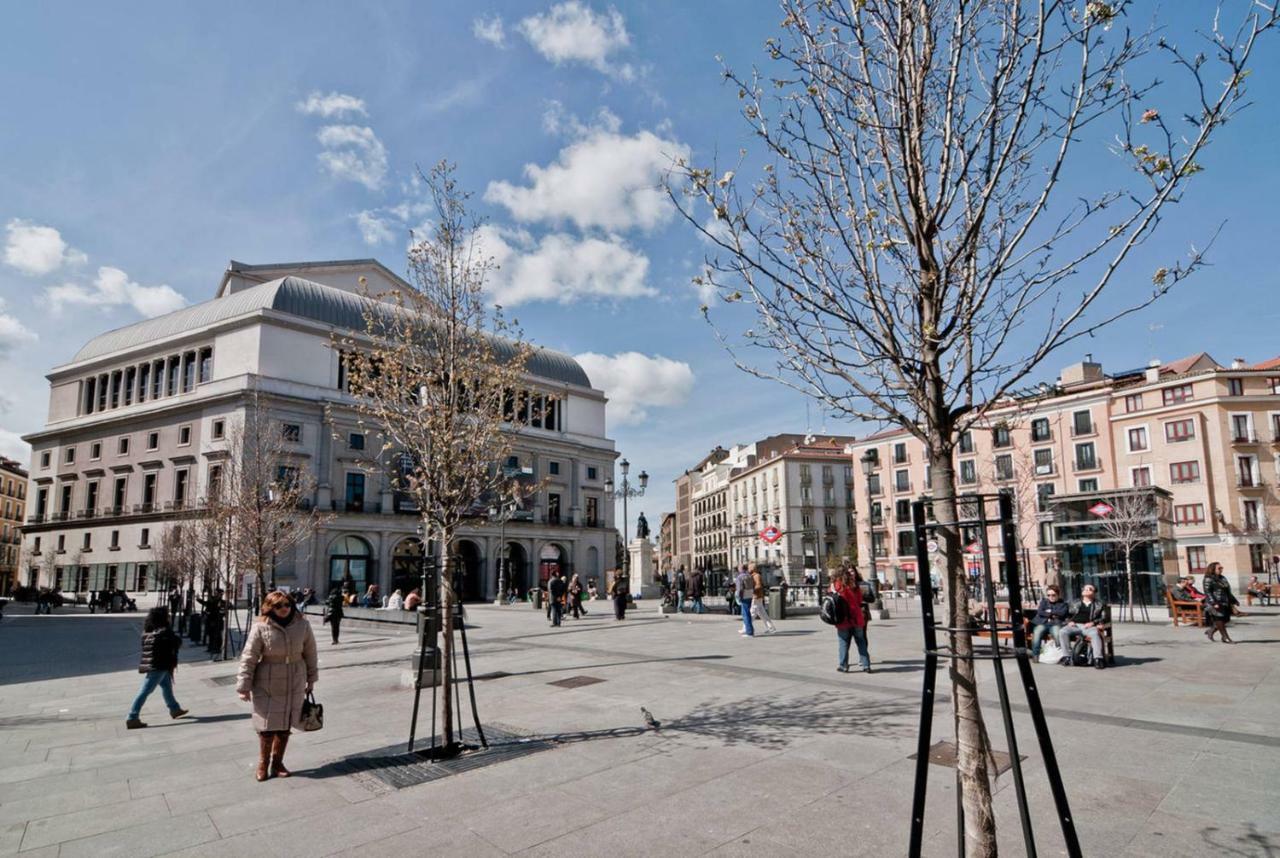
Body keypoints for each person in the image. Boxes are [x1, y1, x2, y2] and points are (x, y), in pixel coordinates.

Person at [236, 590, 318, 782]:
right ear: (269, 607)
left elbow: (311, 653)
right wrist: (243, 685)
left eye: (287, 605)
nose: (284, 609)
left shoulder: (303, 625)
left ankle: (278, 762)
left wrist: (311, 678)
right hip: (267, 681)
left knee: (285, 724)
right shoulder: (260, 627)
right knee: (266, 726)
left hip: (295, 679)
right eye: (278, 606)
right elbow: (249, 657)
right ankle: (263, 763)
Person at [126, 607, 188, 729]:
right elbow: (176, 643)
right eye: (167, 616)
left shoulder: (147, 631)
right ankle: (132, 717)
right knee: (145, 691)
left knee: (166, 687)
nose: (169, 617)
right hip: (159, 665)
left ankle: (174, 708)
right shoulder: (164, 632)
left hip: (154, 664)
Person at [829, 568, 870, 673]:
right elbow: (860, 600)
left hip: (844, 619)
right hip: (857, 617)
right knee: (861, 642)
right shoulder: (854, 585)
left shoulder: (836, 585)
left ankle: (843, 666)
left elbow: (832, 600)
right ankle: (866, 665)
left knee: (843, 642)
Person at [1058, 584, 1108, 669]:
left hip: (1088, 626)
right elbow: (1066, 614)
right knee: (1062, 631)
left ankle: (1098, 659)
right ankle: (1067, 657)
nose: (1087, 590)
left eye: (1090, 589)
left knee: (1095, 634)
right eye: (1085, 589)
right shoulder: (1075, 602)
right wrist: (1069, 621)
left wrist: (1093, 623)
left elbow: (1103, 617)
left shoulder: (1099, 604)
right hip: (1075, 625)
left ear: (1094, 593)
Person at [1029, 585, 1070, 660]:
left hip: (1055, 624)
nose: (1051, 597)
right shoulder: (1044, 602)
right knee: (1037, 632)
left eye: (1053, 595)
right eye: (1048, 595)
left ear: (1058, 595)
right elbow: (1040, 612)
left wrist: (1048, 612)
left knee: (1057, 633)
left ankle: (1061, 655)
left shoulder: (1063, 603)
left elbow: (1062, 613)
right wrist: (1052, 614)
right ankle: (1035, 655)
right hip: (1043, 623)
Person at [1202, 562, 1238, 643]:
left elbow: (1227, 590)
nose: (1221, 569)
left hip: (1224, 601)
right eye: (1219, 568)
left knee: (1226, 619)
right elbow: (1208, 592)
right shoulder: (1208, 579)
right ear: (1213, 569)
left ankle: (1211, 631)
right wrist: (1214, 603)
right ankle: (1225, 637)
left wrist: (1234, 600)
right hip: (1215, 602)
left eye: (1222, 568)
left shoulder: (1222, 578)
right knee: (1219, 619)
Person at [749, 563, 777, 633]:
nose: (748, 569)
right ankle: (771, 627)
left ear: (752, 568)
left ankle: (746, 627)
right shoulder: (755, 575)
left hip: (756, 596)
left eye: (749, 568)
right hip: (759, 596)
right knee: (762, 613)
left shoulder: (756, 576)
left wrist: (752, 591)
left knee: (752, 612)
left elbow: (759, 585)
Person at [197, 589, 226, 656]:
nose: (216, 594)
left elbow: (225, 610)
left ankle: (217, 648)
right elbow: (206, 604)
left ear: (220, 594)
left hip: (218, 621)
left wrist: (222, 612)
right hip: (210, 620)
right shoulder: (212, 600)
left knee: (217, 635)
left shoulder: (222, 602)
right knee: (211, 634)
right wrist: (199, 600)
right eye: (215, 593)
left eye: (217, 593)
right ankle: (210, 647)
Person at [735, 565, 755, 637]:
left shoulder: (740, 577)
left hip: (744, 596)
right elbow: (753, 585)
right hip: (750, 595)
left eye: (738, 569)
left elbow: (739, 589)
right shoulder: (750, 576)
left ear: (740, 569)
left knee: (746, 614)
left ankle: (749, 632)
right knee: (748, 613)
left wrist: (739, 597)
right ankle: (749, 629)